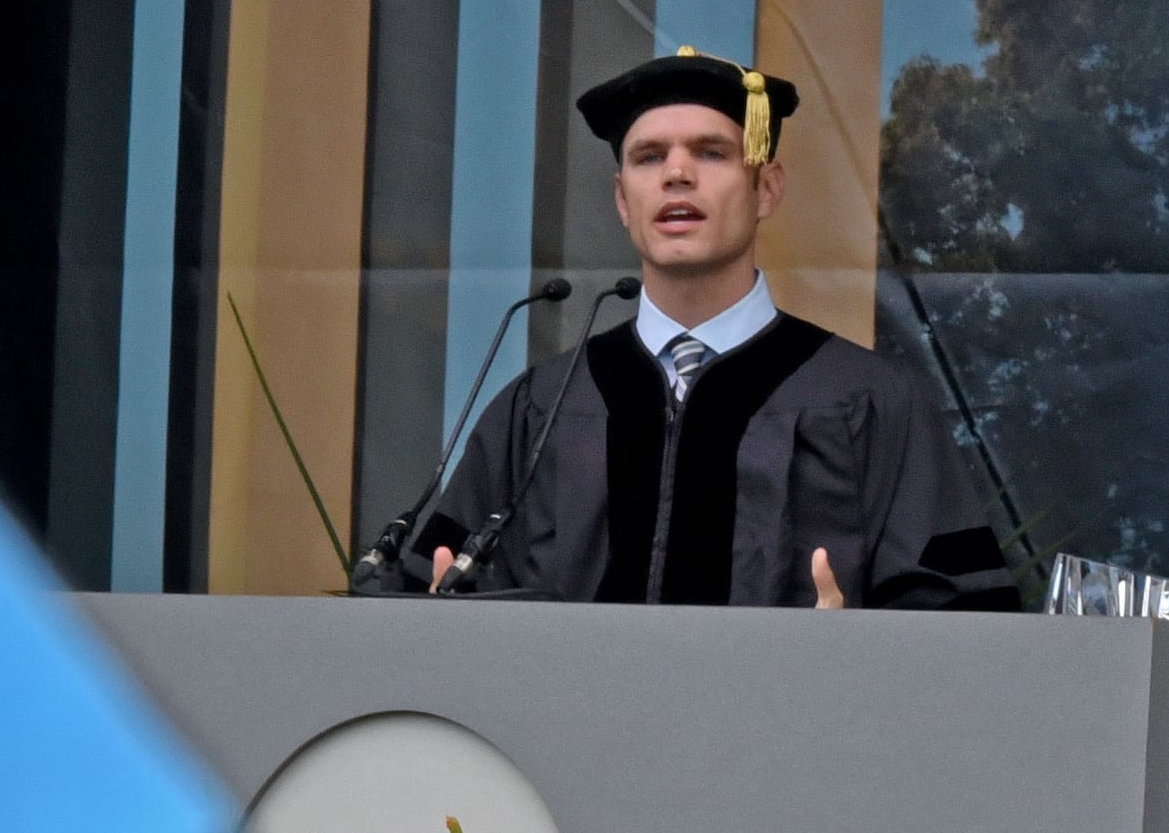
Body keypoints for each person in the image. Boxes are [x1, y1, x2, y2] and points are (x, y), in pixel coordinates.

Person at [375, 49, 1017, 608]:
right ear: (624, 201)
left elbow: (959, 627)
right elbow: (436, 606)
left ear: (766, 189)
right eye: (649, 157)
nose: (677, 174)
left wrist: (846, 657)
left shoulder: (870, 401)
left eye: (712, 153)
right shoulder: (539, 409)